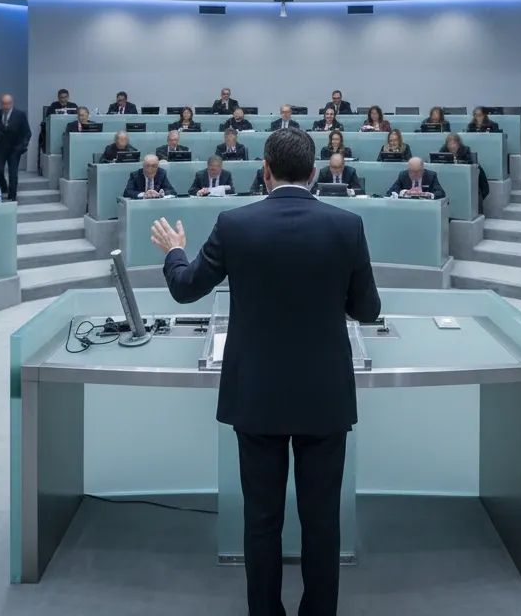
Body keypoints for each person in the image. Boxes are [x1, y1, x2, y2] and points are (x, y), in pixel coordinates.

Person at [150, 128, 380, 616]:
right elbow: (367, 309)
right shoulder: (348, 225)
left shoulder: (235, 224)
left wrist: (173, 251)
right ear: (315, 173)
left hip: (257, 395)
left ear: (265, 171)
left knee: (261, 520)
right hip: (324, 397)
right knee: (322, 522)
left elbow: (186, 289)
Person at [0, 93, 31, 201]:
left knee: (13, 173)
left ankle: (12, 196)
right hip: (0, 147)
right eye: (3, 104)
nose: (5, 106)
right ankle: (3, 187)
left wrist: (22, 146)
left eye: (7, 104)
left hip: (15, 148)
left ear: (12, 103)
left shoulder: (20, 114)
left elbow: (27, 132)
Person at [443, 132, 489, 209]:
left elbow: (485, 188)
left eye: (454, 143)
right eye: (449, 144)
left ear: (459, 144)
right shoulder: (442, 156)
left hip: (466, 189)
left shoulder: (469, 158)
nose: (452, 146)